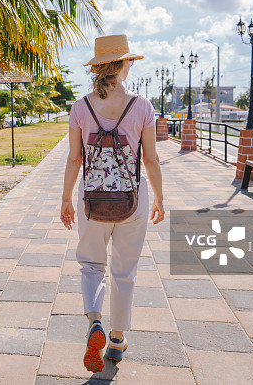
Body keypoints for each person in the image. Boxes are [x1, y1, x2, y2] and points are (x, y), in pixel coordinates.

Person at [60, 33, 165, 373]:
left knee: (91, 265)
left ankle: (94, 323)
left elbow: (74, 160)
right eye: (130, 61)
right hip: (133, 199)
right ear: (122, 65)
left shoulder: (80, 107)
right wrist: (159, 197)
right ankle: (117, 341)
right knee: (125, 271)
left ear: (98, 67)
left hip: (92, 200)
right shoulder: (143, 106)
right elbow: (150, 159)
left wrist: (66, 199)